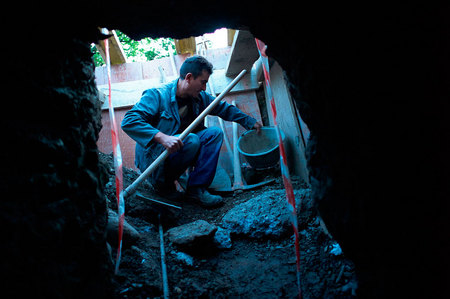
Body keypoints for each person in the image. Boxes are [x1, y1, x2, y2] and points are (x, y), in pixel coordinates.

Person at [121, 56, 262, 207]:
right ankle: (163, 186)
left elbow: (223, 108)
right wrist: (162, 138)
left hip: (180, 151)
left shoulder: (199, 98)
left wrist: (249, 121)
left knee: (214, 134)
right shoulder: (157, 95)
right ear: (189, 77)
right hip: (155, 161)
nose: (204, 88)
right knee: (192, 139)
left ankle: (196, 189)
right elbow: (129, 121)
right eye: (203, 82)